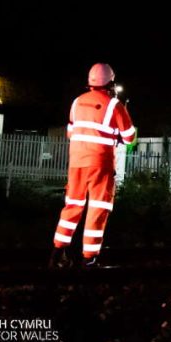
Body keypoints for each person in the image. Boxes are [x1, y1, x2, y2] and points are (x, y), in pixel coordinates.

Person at [49, 63, 136, 268]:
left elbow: (71, 132)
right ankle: (89, 258)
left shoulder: (77, 102)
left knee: (72, 206)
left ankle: (57, 252)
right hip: (100, 164)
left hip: (76, 163)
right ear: (111, 83)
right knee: (98, 208)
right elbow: (130, 137)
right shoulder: (115, 105)